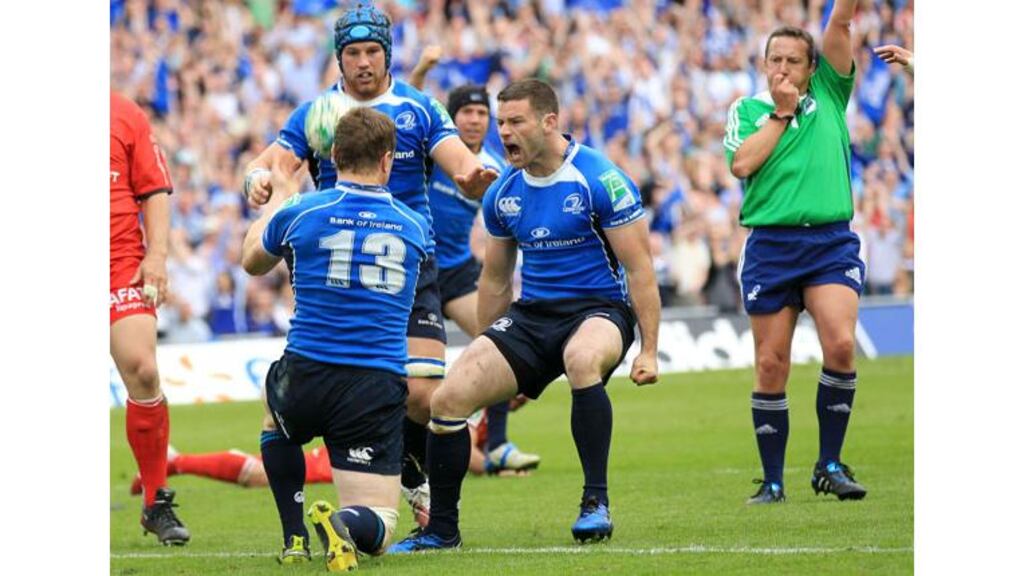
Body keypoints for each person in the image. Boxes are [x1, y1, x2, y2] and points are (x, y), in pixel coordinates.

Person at [243, 3, 498, 528]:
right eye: (353, 53)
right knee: (365, 382)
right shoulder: (316, 114)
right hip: (338, 266)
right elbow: (269, 161)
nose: (363, 63)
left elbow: (459, 160)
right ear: (339, 58)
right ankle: (393, 478)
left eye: (372, 52)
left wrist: (474, 176)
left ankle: (409, 474)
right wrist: (257, 179)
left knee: (425, 396)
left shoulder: (418, 108)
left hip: (410, 263)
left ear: (387, 54)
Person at [389, 78, 660, 553]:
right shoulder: (502, 193)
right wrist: (486, 346)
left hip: (598, 310)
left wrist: (650, 351)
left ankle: (595, 503)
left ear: (549, 122)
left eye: (516, 122)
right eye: (501, 123)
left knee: (580, 359)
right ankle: (441, 530)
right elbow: (494, 280)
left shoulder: (600, 178)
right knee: (448, 398)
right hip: (532, 316)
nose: (505, 132)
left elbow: (639, 269)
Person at [241, 107, 429, 570]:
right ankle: (342, 523)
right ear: (388, 161)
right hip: (374, 383)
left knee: (275, 418)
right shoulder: (413, 226)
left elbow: (251, 261)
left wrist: (279, 196)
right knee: (381, 524)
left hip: (305, 372)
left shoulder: (303, 211)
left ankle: (294, 537)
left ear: (334, 154)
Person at [723, 0, 868, 504]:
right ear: (764, 65)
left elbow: (841, 21)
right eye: (774, 59)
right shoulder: (747, 110)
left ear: (813, 69)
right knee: (770, 363)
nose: (782, 68)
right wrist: (782, 114)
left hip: (829, 241)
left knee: (842, 345)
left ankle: (829, 463)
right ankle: (773, 481)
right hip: (772, 245)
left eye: (792, 61)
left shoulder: (830, 93)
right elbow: (742, 166)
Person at [423, 78, 543, 474]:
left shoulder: (494, 162)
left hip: (456, 272)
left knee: (501, 344)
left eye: (481, 114)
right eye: (466, 112)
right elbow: (408, 108)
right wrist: (424, 68)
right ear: (450, 117)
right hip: (415, 271)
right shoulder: (431, 153)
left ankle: (498, 443)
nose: (474, 120)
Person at [110, 91, 190, 546]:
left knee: (142, 369)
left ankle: (156, 500)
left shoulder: (123, 112)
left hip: (120, 261)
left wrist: (156, 255)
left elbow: (154, 189)